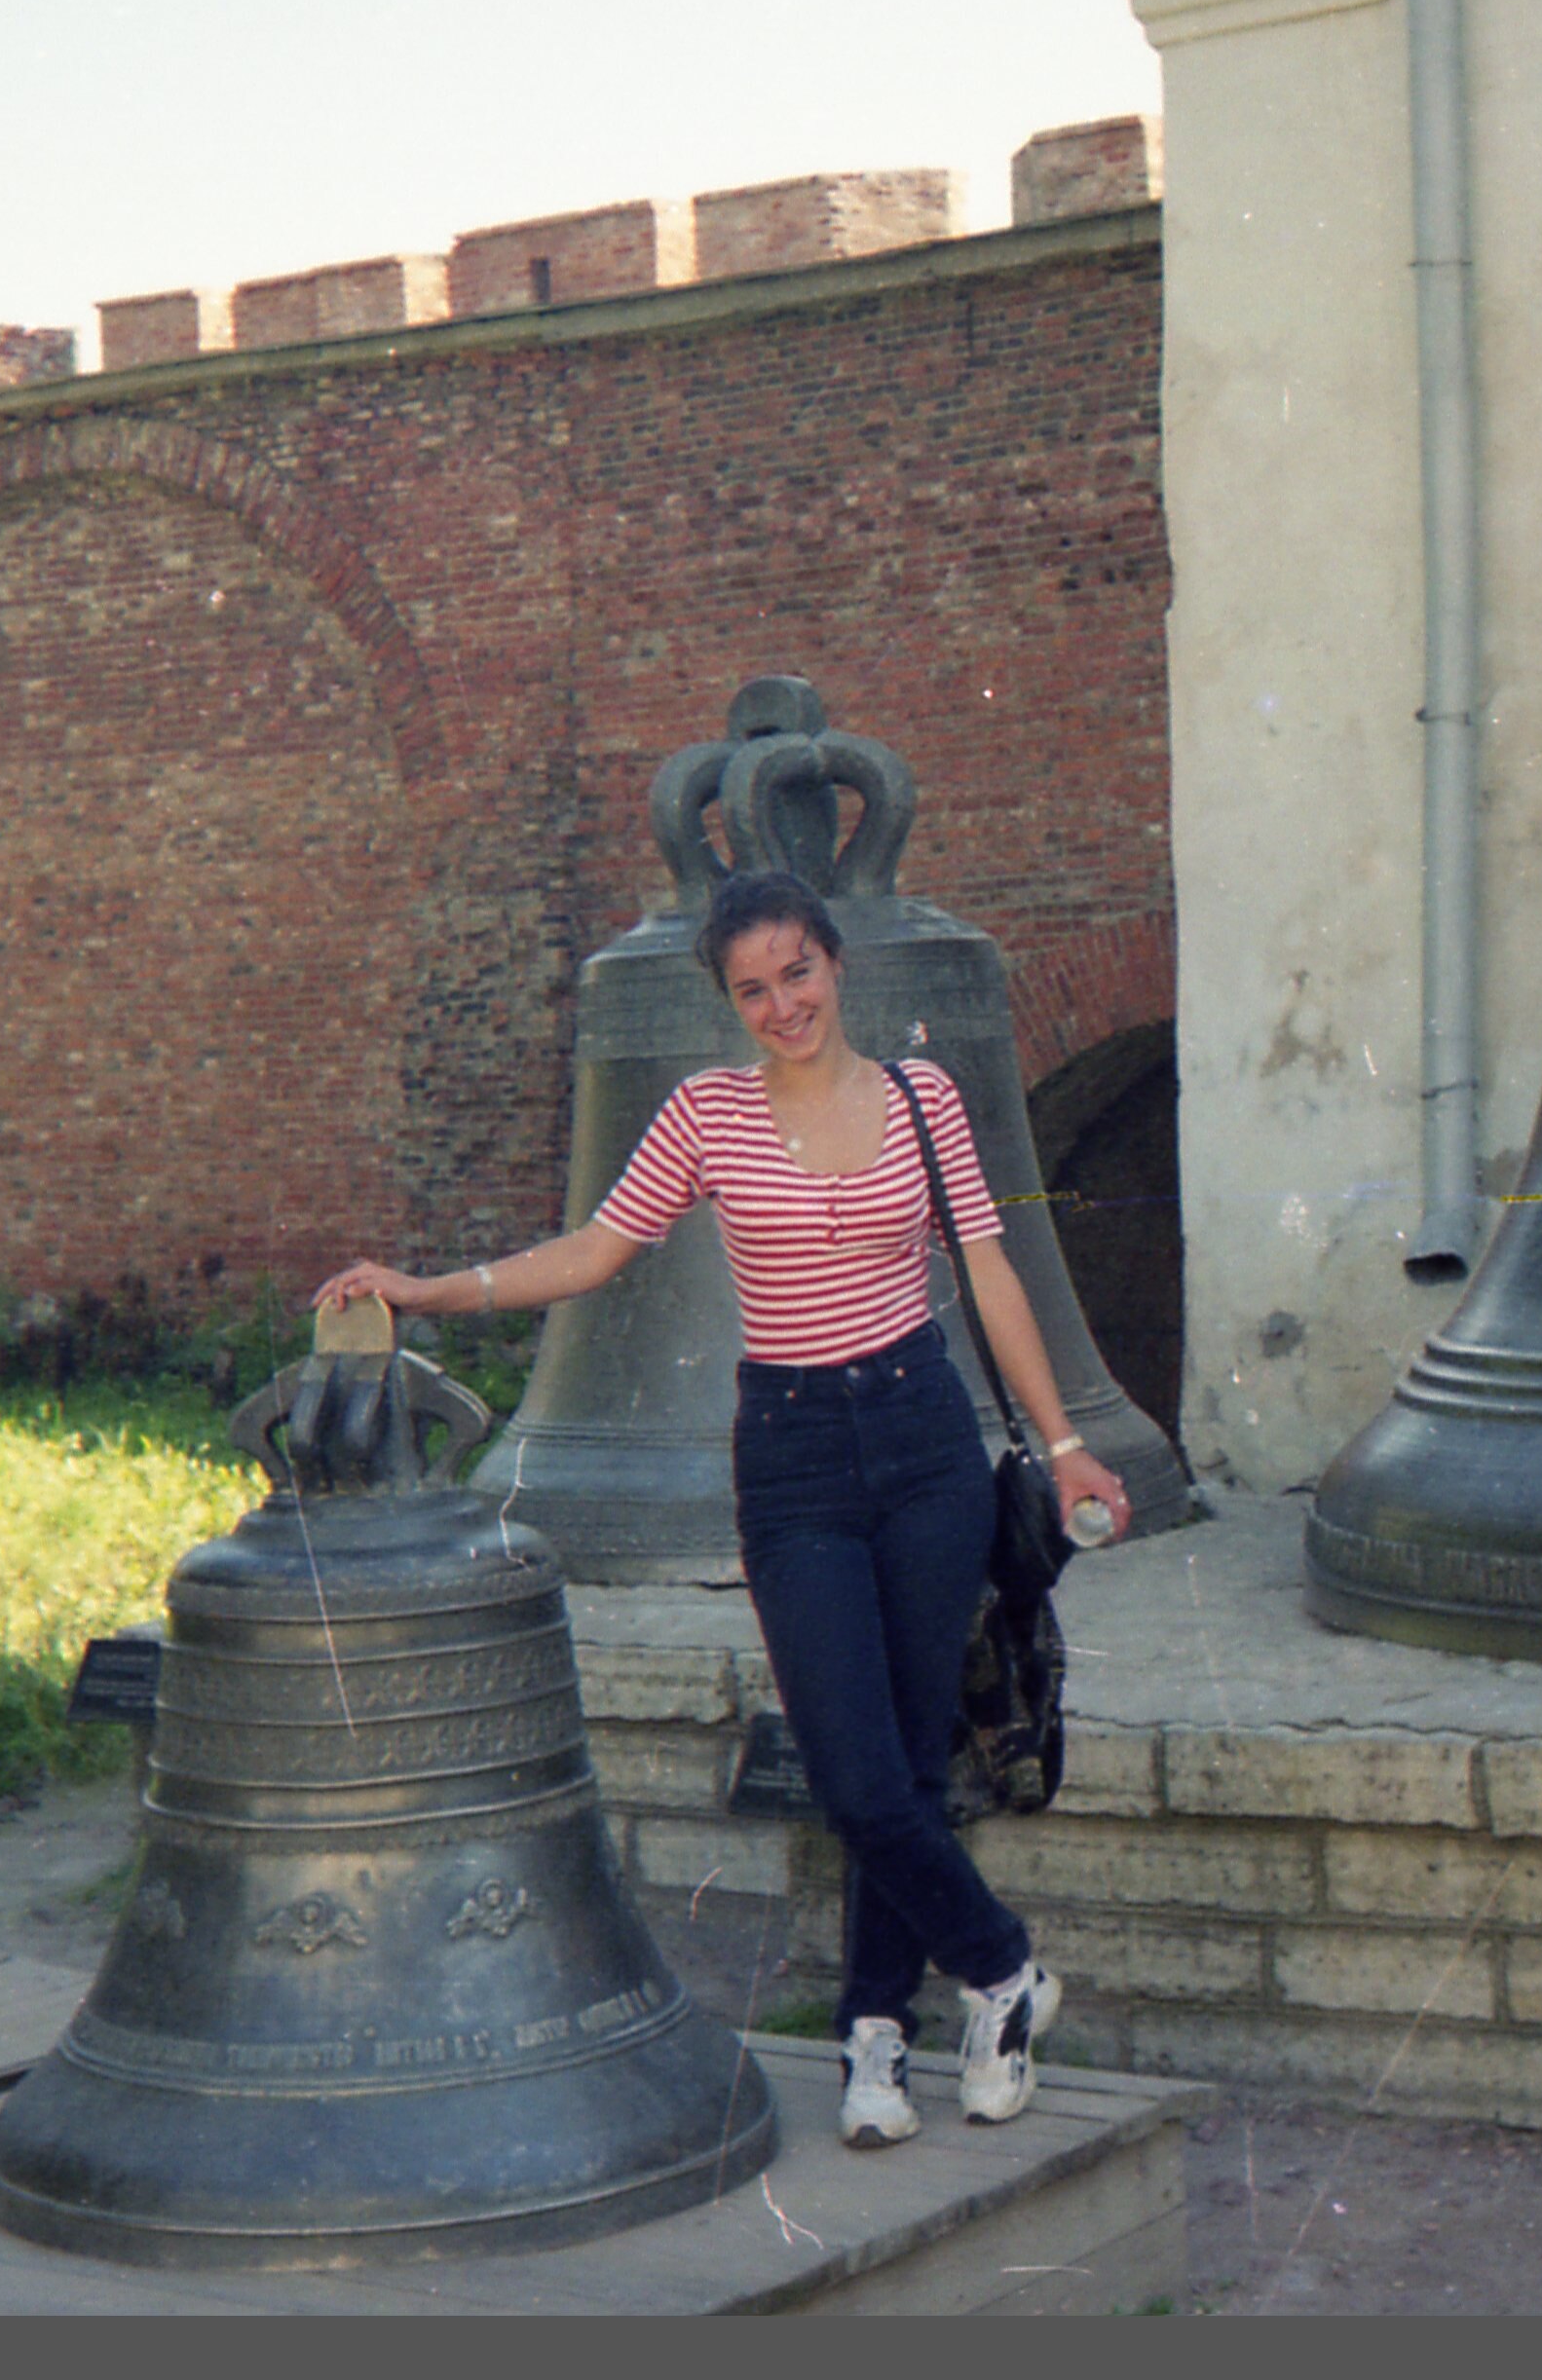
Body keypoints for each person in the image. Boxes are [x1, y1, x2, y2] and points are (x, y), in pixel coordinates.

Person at [316, 866, 1131, 2149]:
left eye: (797, 972)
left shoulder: (924, 1098)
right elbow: (592, 1251)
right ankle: (1002, 1967)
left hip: (925, 1443)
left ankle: (876, 2033)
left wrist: (1068, 1444)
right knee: (855, 1771)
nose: (782, 1003)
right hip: (794, 1460)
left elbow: (989, 1268)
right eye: (753, 989)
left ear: (835, 962)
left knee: (911, 1761)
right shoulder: (706, 1112)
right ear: (730, 1002)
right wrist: (428, 1289)